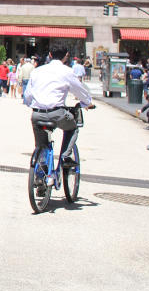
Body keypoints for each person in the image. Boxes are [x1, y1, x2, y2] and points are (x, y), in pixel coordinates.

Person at [23, 44, 96, 190]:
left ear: (49, 54)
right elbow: (79, 90)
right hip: (57, 112)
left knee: (41, 144)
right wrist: (87, 103)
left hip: (37, 113)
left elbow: (28, 95)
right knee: (72, 127)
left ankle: (41, 173)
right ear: (66, 56)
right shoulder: (67, 72)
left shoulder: (38, 71)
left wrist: (31, 103)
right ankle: (65, 156)